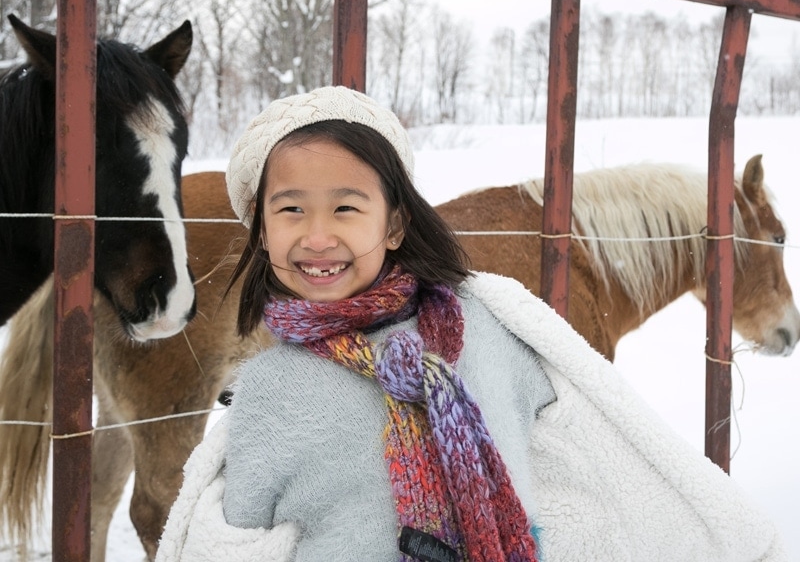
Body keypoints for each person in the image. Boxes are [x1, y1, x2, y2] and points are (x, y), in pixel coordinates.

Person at [155, 86, 787, 562]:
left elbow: (591, 471)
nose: (318, 236)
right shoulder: (269, 388)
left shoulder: (487, 326)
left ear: (396, 224)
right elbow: (230, 536)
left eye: (347, 207)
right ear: (262, 232)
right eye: (290, 210)